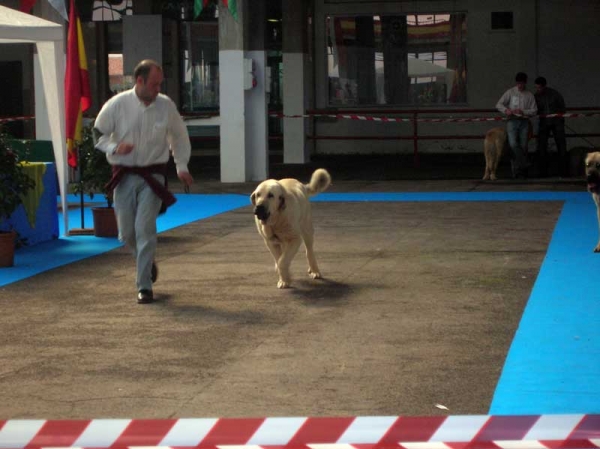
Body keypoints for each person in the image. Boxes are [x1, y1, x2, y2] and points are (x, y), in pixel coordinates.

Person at [94, 59, 194, 304]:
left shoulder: (166, 106)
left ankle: (144, 287)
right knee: (127, 232)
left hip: (153, 175)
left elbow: (179, 137)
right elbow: (98, 132)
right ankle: (147, 263)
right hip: (124, 174)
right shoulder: (117, 104)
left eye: (160, 84)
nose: (158, 88)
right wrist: (115, 146)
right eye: (154, 84)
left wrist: (181, 165)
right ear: (139, 81)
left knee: (144, 229)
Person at [495, 72, 538, 178]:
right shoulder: (510, 92)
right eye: (518, 83)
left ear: (525, 83)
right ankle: (523, 165)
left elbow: (534, 110)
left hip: (524, 121)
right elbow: (498, 104)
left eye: (522, 83)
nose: (520, 86)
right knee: (513, 144)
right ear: (516, 83)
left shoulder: (529, 95)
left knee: (523, 146)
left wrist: (523, 112)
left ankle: (519, 171)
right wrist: (506, 110)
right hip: (512, 120)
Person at [534, 76, 568, 177]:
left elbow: (562, 108)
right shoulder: (536, 96)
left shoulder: (555, 94)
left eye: (539, 87)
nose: (538, 89)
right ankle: (543, 172)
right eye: (537, 88)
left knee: (561, 145)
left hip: (557, 122)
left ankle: (564, 172)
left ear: (544, 86)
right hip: (544, 123)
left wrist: (560, 119)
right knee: (541, 146)